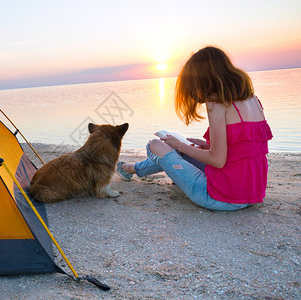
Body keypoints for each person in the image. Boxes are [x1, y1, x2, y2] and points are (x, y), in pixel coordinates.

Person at [116, 46, 273, 211]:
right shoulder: (253, 99)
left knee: (154, 146)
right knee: (185, 148)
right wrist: (206, 145)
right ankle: (131, 168)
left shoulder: (217, 102)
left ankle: (131, 168)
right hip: (251, 195)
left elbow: (217, 160)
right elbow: (246, 149)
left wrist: (180, 146)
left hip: (221, 197)